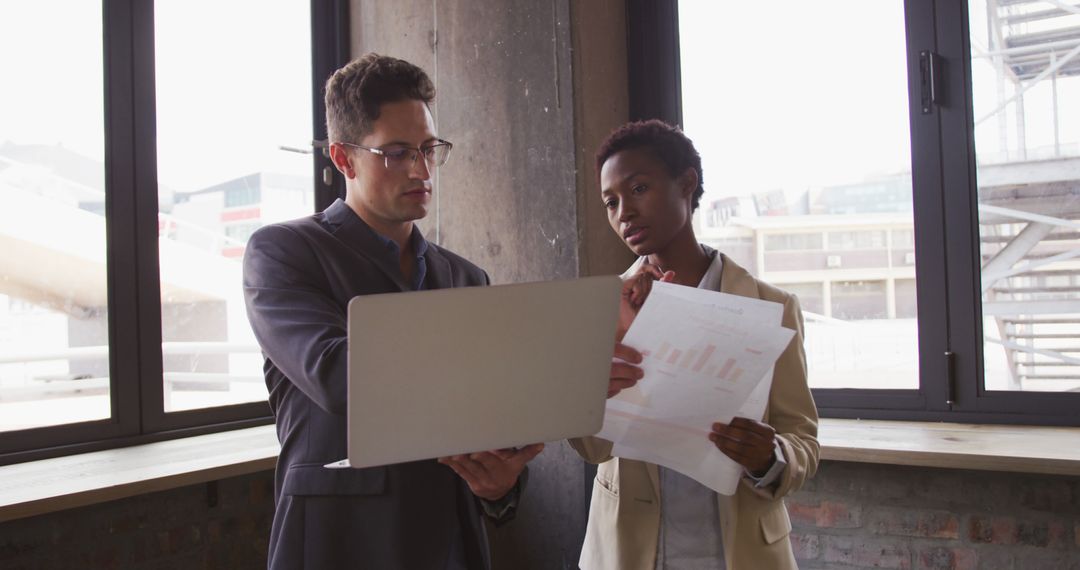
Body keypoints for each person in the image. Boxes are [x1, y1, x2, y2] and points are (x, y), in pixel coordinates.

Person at [243, 53, 542, 570]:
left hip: (450, 544)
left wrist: (500, 485)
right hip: (339, 544)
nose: (421, 170)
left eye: (429, 150)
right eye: (398, 152)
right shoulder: (284, 253)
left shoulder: (466, 278)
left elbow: (489, 420)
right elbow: (338, 377)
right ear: (343, 159)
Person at [571, 119, 819, 569]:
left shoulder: (772, 307)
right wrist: (592, 389)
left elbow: (802, 438)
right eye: (611, 201)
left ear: (687, 183)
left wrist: (769, 457)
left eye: (639, 188)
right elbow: (592, 449)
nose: (624, 212)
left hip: (739, 553)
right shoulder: (603, 308)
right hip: (629, 551)